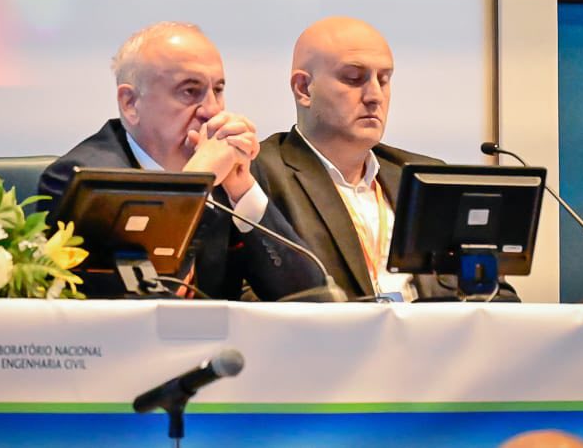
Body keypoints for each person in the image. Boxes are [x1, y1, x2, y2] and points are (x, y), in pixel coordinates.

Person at [38, 22, 323, 301]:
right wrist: (194, 185)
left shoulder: (227, 174)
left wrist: (243, 190)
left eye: (218, 90)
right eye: (190, 91)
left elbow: (313, 301)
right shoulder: (83, 181)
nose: (212, 110)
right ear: (130, 103)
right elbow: (137, 308)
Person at [252, 16, 448, 301]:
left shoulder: (427, 178)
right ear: (304, 88)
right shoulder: (259, 174)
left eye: (384, 80)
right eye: (354, 79)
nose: (375, 96)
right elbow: (244, 296)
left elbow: (490, 295)